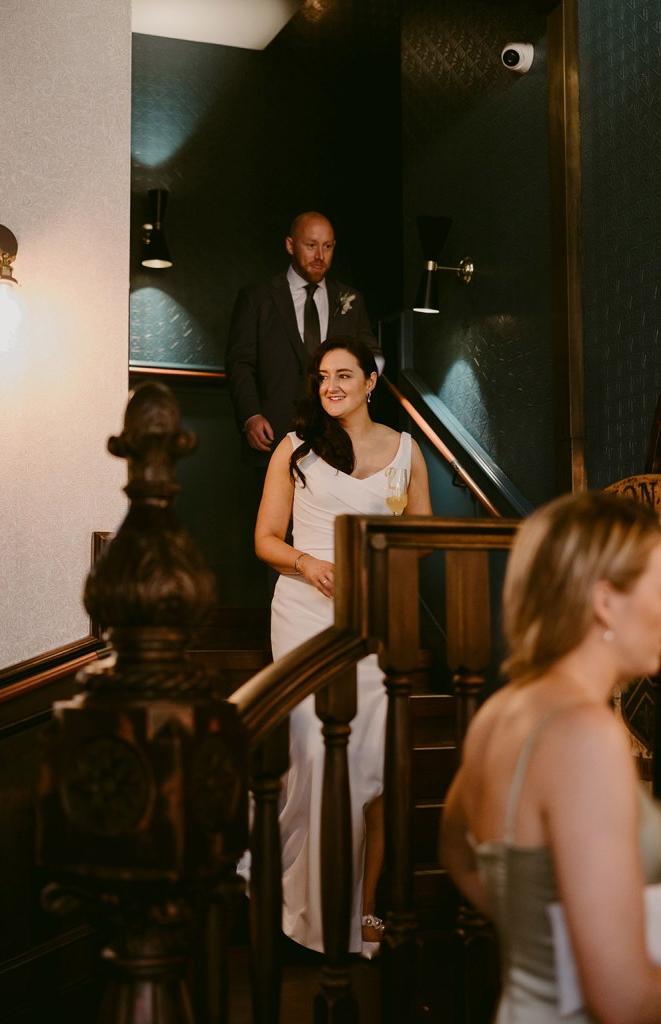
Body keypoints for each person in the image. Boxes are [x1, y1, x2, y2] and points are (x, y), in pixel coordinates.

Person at [439, 490, 661, 1024]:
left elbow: (457, 855)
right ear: (606, 602)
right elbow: (623, 999)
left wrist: (542, 943)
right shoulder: (586, 735)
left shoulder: (500, 711)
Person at [254, 335, 432, 958]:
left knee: (370, 766)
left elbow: (424, 539)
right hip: (303, 611)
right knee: (309, 753)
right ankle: (287, 897)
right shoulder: (296, 449)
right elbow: (266, 539)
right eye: (323, 376)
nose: (330, 385)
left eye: (344, 375)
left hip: (372, 619)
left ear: (371, 382)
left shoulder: (406, 450)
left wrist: (382, 567)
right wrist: (308, 564)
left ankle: (368, 908)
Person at [225, 211, 382, 471]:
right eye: (311, 246)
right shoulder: (257, 297)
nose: (320, 256)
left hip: (336, 435)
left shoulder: (351, 299)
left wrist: (358, 394)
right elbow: (239, 363)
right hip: (272, 433)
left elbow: (371, 356)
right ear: (290, 245)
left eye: (327, 246)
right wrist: (250, 416)